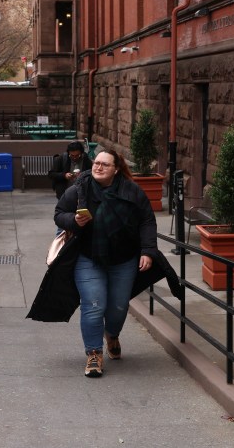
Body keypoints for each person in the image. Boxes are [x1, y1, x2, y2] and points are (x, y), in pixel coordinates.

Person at [50, 150, 170, 378]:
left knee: (118, 307)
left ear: (116, 169)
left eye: (105, 164)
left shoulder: (130, 190)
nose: (98, 167)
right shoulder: (79, 188)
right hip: (88, 257)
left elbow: (146, 220)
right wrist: (73, 220)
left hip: (123, 259)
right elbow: (59, 213)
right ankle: (94, 353)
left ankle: (112, 334)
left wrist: (148, 251)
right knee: (94, 305)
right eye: (96, 163)